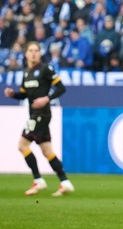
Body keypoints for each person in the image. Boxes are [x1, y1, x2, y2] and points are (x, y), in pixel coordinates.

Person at [3, 41, 75, 197]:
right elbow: (24, 94)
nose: (34, 53)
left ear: (40, 53)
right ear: (26, 54)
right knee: (47, 150)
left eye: (36, 50)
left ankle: (38, 180)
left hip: (41, 114)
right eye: (31, 50)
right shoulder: (26, 72)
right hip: (34, 115)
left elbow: (61, 87)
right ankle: (65, 182)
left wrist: (46, 98)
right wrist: (13, 94)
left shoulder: (45, 69)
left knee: (22, 145)